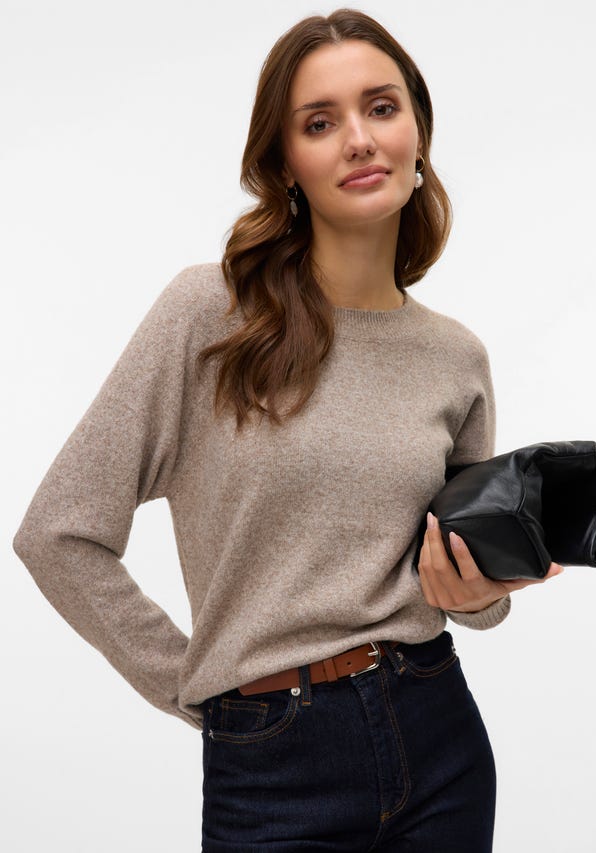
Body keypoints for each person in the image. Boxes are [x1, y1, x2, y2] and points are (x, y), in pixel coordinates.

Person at [12, 8, 564, 852]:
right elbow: (57, 532)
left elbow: (469, 594)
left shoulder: (455, 357)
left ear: (418, 132)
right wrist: (199, 684)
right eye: (319, 122)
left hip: (438, 737)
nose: (359, 139)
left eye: (381, 107)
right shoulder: (210, 314)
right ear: (285, 166)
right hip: (273, 767)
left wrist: (483, 590)